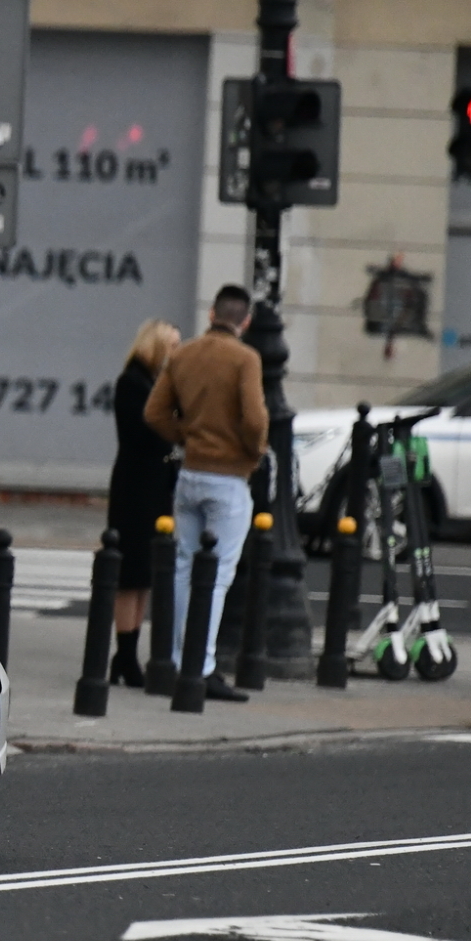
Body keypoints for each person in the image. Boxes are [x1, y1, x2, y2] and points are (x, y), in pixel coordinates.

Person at [143, 283, 268, 702]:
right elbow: (254, 419)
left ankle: (176, 660)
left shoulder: (183, 354)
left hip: (190, 473)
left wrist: (188, 438)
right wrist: (251, 452)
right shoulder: (245, 358)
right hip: (228, 479)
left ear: (212, 313)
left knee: (182, 568)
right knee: (215, 579)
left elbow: (154, 412)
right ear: (245, 321)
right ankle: (204, 666)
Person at [106, 318, 181, 686]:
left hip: (155, 487)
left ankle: (128, 652)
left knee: (145, 574)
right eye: (172, 346)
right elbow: (142, 433)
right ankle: (124, 654)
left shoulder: (154, 383)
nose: (176, 354)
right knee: (128, 573)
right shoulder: (132, 383)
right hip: (135, 487)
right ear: (156, 346)